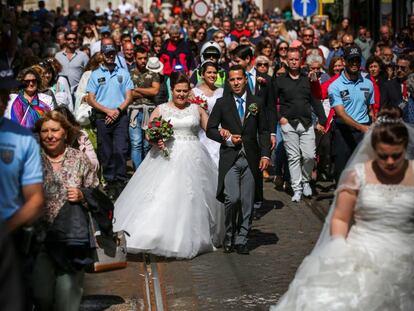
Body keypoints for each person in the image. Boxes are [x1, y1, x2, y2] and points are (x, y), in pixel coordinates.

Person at [271, 107, 414, 310]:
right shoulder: (357, 175)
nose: (390, 162)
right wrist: (339, 246)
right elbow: (340, 218)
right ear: (374, 149)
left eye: (396, 156)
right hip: (363, 254)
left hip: (406, 256)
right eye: (383, 156)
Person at [113, 72, 224, 259]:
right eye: (178, 91)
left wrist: (229, 135)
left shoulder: (197, 109)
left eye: (185, 91)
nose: (181, 94)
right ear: (172, 90)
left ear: (189, 91)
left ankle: (190, 237)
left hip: (194, 156)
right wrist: (156, 140)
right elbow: (149, 132)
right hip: (167, 156)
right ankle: (155, 235)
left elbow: (211, 129)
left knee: (192, 197)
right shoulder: (161, 109)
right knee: (163, 194)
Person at [32, 111, 99, 311]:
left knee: (67, 300)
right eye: (45, 131)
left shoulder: (79, 158)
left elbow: (97, 194)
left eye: (55, 130)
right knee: (41, 294)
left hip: (71, 238)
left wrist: (82, 196)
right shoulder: (31, 159)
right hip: (38, 238)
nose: (49, 135)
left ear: (65, 133)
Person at [206, 65, 271, 255]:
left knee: (247, 202)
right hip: (230, 158)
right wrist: (225, 137)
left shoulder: (256, 102)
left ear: (245, 80)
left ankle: (242, 238)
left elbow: (264, 131)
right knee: (232, 198)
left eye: (239, 79)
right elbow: (210, 129)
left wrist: (266, 154)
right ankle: (229, 233)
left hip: (251, 158)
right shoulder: (222, 103)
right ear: (228, 82)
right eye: (232, 79)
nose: (236, 83)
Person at [271, 48, 327, 202]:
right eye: (291, 59)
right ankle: (297, 188)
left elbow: (315, 100)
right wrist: (279, 118)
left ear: (301, 60)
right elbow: (271, 102)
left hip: (307, 122)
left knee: (309, 155)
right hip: (288, 123)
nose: (294, 62)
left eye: (296, 59)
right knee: (293, 157)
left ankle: (306, 181)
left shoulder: (307, 78)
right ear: (287, 61)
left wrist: (322, 119)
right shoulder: (280, 80)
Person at [86, 42, 133, 199]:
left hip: (120, 117)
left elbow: (129, 96)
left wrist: (117, 111)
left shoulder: (124, 73)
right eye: (107, 53)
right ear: (102, 55)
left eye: (113, 53)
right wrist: (107, 111)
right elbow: (90, 99)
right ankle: (110, 181)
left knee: (121, 149)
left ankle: (120, 180)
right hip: (102, 117)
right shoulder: (95, 74)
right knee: (106, 152)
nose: (110, 56)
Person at [328, 45, 375, 181]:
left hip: (363, 132)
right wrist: (361, 127)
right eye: (351, 60)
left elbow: (371, 110)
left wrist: (373, 123)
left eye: (357, 60)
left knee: (363, 172)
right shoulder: (335, 86)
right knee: (342, 173)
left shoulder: (368, 84)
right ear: (344, 61)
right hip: (343, 132)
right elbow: (341, 114)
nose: (354, 63)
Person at [129, 46, 161, 170]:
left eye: (145, 58)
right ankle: (138, 172)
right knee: (136, 143)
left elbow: (155, 91)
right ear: (135, 58)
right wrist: (147, 91)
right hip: (134, 112)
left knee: (148, 144)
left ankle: (148, 172)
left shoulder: (153, 73)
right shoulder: (130, 73)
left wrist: (136, 89)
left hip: (151, 112)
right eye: (140, 58)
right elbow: (128, 93)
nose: (143, 61)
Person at [191, 61, 223, 166]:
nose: (212, 75)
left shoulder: (222, 92)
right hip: (201, 133)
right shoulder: (194, 92)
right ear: (202, 74)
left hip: (218, 130)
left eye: (214, 72)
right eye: (209, 72)